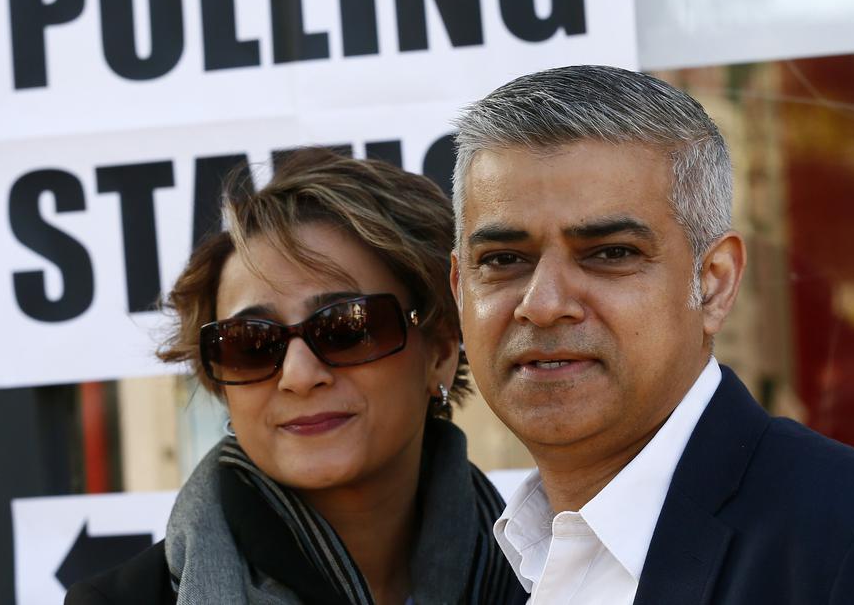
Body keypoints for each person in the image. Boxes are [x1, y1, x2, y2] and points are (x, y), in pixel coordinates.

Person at [448, 65, 854, 604]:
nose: (543, 305)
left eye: (610, 254)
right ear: (458, 288)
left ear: (713, 284)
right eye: (502, 259)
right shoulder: (487, 567)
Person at [66, 148, 524, 605]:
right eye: (250, 343)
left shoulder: (552, 578)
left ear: (440, 352)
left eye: (348, 327)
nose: (299, 375)